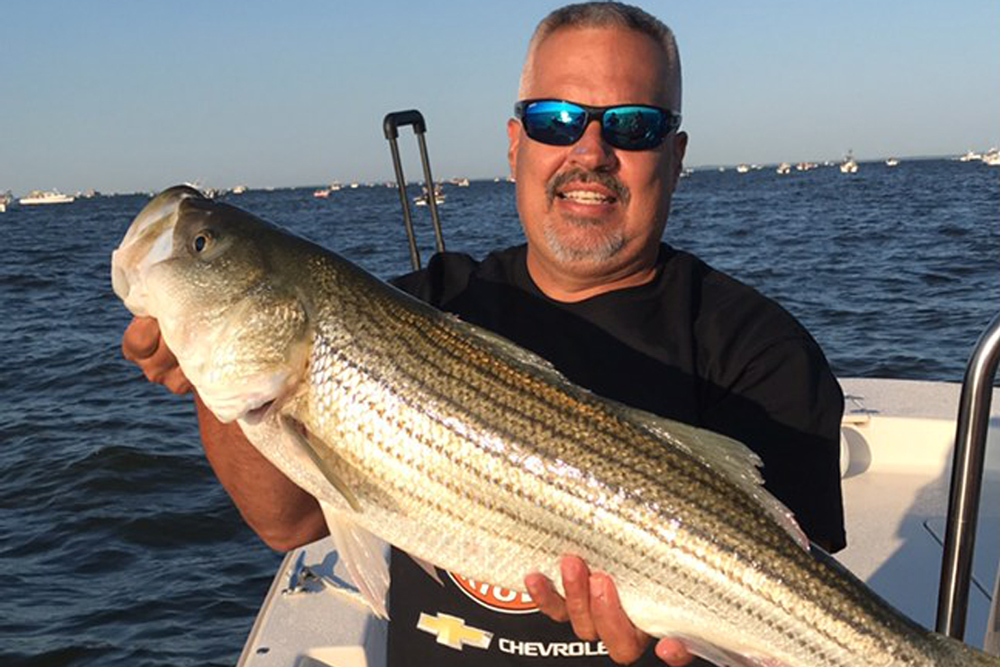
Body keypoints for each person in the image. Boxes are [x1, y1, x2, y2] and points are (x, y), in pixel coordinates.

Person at [122, 3, 845, 666]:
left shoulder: (762, 350)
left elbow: (799, 610)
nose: (589, 151)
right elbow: (286, 524)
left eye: (632, 125)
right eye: (555, 119)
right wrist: (199, 372)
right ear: (514, 144)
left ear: (676, 155)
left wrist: (673, 611)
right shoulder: (425, 304)